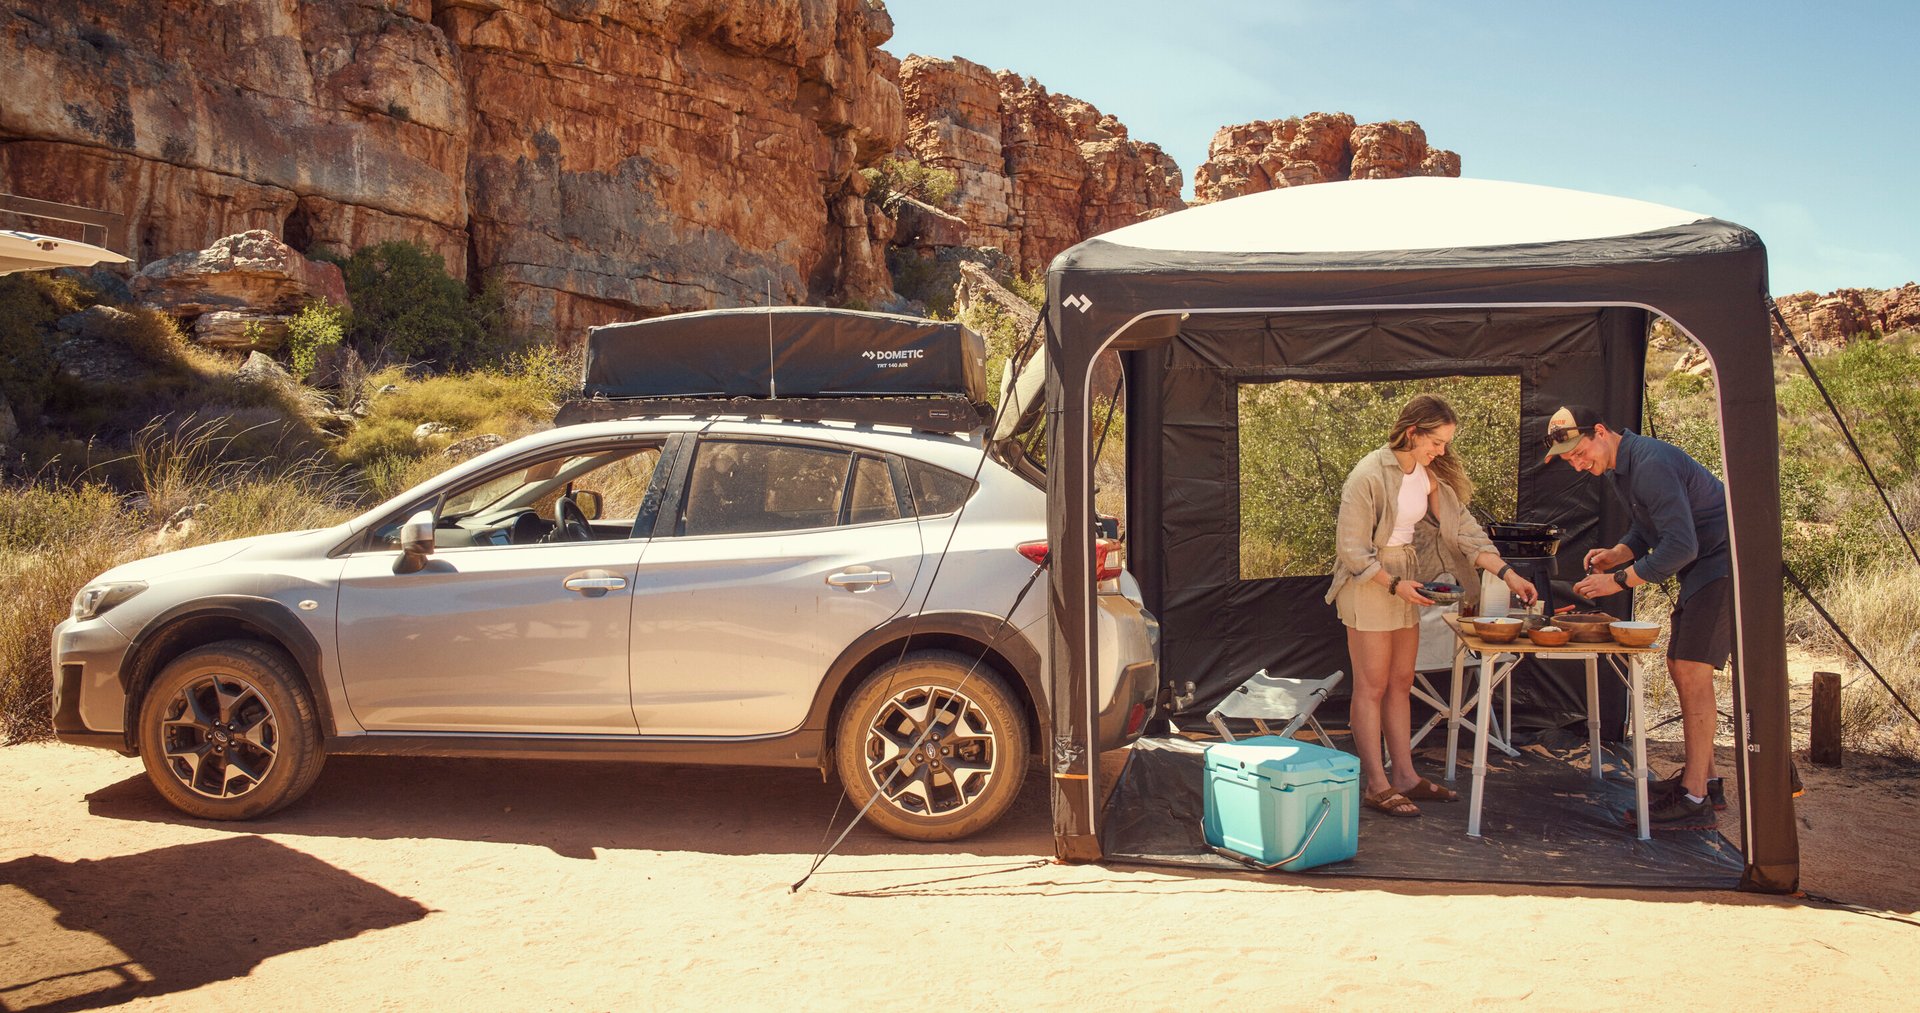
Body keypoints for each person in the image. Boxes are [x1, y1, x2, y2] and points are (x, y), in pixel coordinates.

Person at [1327, 395, 1539, 817]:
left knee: (1401, 681)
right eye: (1436, 442)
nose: (1441, 451)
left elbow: (1465, 533)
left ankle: (1404, 775)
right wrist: (1395, 584)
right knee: (1371, 686)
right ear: (1413, 432)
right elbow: (1352, 551)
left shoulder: (1426, 477)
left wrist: (1508, 573)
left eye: (1444, 444)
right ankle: (1376, 783)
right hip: (1371, 580)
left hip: (1406, 575)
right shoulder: (1368, 474)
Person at [1547, 404, 1730, 831]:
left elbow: (1681, 544)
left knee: (1691, 669)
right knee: (1680, 665)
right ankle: (1705, 781)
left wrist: (1620, 580)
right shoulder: (1619, 467)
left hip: (1723, 564)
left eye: (1579, 451)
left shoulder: (1650, 464)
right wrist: (1618, 553)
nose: (1577, 462)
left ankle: (1695, 798)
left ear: (1600, 430)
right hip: (1703, 566)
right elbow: (1648, 530)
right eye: (1568, 458)